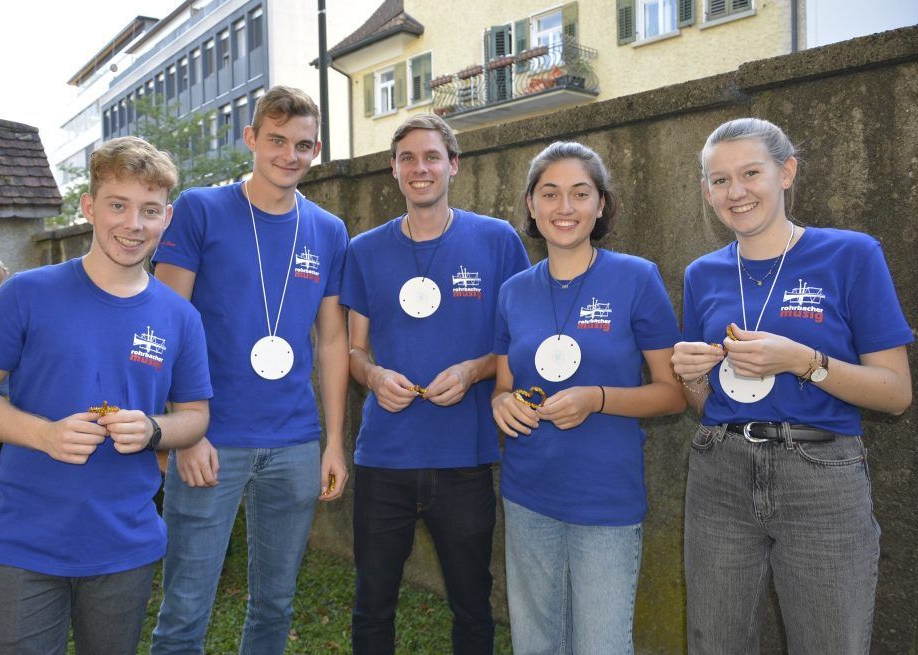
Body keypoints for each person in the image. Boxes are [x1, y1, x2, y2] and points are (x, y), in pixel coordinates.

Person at [0, 136, 213, 654]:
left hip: (125, 546)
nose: (133, 225)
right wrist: (44, 434)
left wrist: (154, 429)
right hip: (24, 543)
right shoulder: (27, 293)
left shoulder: (181, 316)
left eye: (150, 210)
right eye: (118, 205)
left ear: (168, 218)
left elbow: (196, 417)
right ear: (90, 207)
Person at [671, 118, 913, 654]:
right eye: (718, 180)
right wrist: (689, 376)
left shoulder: (851, 254)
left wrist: (804, 361)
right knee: (716, 643)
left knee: (829, 642)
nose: (736, 192)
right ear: (707, 191)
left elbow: (896, 394)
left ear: (787, 172)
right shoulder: (701, 274)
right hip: (719, 470)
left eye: (750, 172)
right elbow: (705, 402)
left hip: (821, 474)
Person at [150, 86, 349, 655]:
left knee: (275, 603)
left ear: (316, 150)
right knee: (186, 606)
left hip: (293, 442)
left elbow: (333, 341)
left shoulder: (329, 231)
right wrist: (182, 430)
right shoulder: (201, 209)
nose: (290, 155)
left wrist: (333, 443)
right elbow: (169, 322)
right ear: (252, 139)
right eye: (277, 140)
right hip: (212, 436)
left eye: (304, 145)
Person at [341, 114, 529, 654]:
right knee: (372, 602)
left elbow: (519, 343)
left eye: (431, 157)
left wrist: (473, 370)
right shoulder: (364, 250)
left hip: (464, 459)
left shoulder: (497, 241)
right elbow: (355, 351)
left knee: (473, 602)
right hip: (384, 458)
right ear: (393, 171)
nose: (419, 168)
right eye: (407, 159)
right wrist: (374, 376)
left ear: (453, 165)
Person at [490, 142, 685, 654]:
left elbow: (673, 393)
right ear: (531, 205)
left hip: (606, 498)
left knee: (600, 644)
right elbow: (503, 385)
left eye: (580, 193)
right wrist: (501, 404)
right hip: (528, 492)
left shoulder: (637, 277)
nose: (565, 208)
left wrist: (597, 398)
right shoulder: (512, 291)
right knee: (536, 644)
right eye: (549, 194)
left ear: (601, 204)